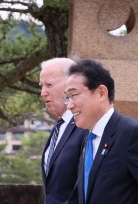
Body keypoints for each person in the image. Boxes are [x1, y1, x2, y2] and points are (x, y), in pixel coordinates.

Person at [63, 59, 138, 204]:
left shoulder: (132, 134)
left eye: (74, 95)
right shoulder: (87, 139)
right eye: (66, 98)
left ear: (101, 93)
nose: (69, 105)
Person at [39, 58, 88, 204]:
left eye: (49, 85)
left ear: (70, 85)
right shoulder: (59, 126)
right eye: (41, 86)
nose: (43, 93)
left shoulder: (86, 126)